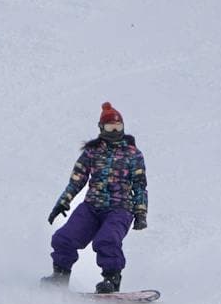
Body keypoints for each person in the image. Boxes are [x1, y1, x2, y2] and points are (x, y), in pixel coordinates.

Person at [43, 102, 148, 292]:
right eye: (110, 127)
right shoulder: (92, 152)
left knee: (106, 240)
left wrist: (141, 213)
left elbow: (140, 186)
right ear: (101, 128)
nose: (115, 131)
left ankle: (111, 280)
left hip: (120, 208)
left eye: (118, 127)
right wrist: (62, 203)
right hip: (91, 207)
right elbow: (76, 180)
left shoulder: (133, 154)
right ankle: (60, 276)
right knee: (63, 238)